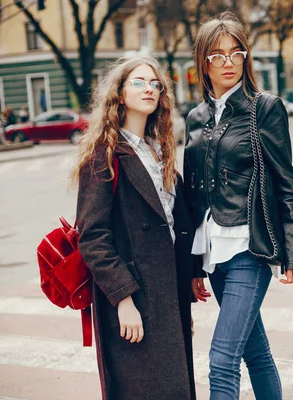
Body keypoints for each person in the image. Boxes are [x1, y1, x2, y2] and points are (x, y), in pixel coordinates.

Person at [184, 12, 293, 400]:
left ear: (246, 58)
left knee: (222, 358)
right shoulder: (195, 117)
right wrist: (194, 264)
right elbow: (195, 196)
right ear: (203, 63)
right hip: (213, 251)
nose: (228, 63)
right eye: (217, 55)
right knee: (254, 352)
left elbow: (286, 183)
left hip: (249, 246)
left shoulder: (265, 108)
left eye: (236, 53)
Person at [72, 55, 197, 400]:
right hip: (134, 297)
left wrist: (183, 294)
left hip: (166, 294)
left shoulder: (160, 151)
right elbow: (93, 237)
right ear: (120, 93)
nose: (149, 89)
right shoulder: (104, 155)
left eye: (156, 84)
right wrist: (123, 299)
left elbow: (175, 226)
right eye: (139, 82)